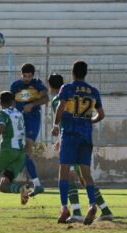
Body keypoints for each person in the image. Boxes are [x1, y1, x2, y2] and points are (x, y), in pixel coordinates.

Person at [48, 73, 114, 223]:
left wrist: (59, 137)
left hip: (70, 138)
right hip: (85, 137)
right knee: (85, 178)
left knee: (68, 176)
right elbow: (98, 114)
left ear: (50, 86)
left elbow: (64, 118)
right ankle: (104, 209)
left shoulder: (58, 99)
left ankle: (76, 211)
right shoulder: (88, 92)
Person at [10, 63, 49, 197]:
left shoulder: (38, 84)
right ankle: (36, 184)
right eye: (24, 76)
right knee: (20, 151)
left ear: (33, 75)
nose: (27, 78)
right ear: (21, 74)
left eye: (29, 76)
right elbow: (11, 103)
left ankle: (34, 183)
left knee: (27, 148)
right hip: (19, 120)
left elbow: (46, 98)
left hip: (33, 119)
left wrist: (32, 104)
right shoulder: (15, 86)